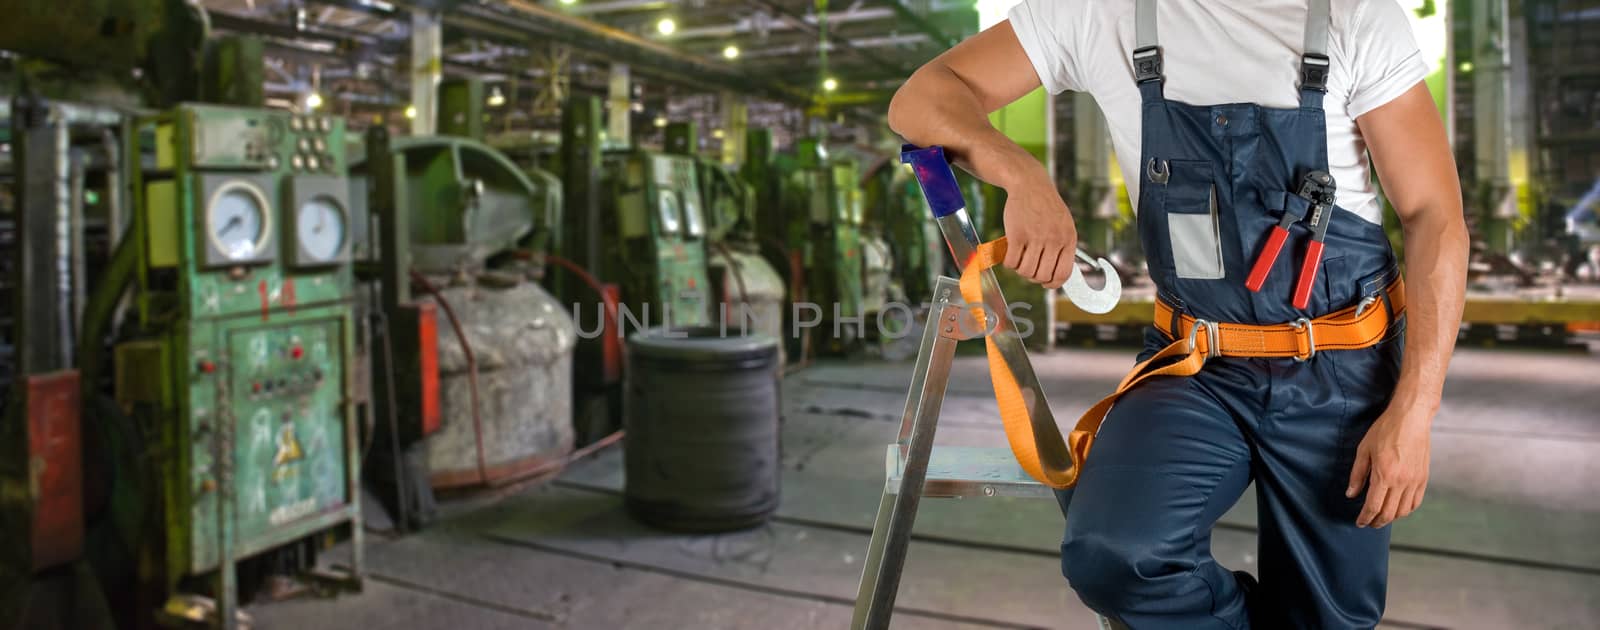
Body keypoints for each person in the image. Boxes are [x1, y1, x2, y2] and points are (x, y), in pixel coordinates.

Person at [887, 1, 1468, 628]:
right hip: (1196, 366)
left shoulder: (1349, 14)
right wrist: (1022, 176)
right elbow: (922, 98)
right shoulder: (1100, 12)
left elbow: (1434, 214)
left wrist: (1414, 410)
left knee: (1329, 618)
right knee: (1117, 555)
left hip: (1342, 374)